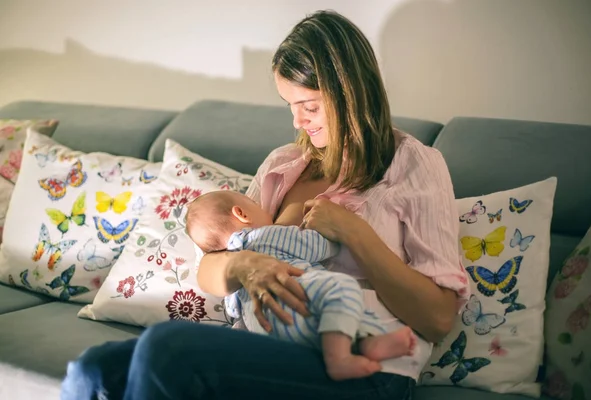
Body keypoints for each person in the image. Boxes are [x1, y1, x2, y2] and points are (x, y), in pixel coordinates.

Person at [60, 9, 469, 400]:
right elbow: (211, 264)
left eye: (309, 106)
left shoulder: (414, 164)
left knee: (169, 349)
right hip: (270, 347)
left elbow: (437, 318)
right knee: (92, 369)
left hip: (367, 369)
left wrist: (354, 233)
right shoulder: (283, 166)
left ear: (352, 93)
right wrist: (243, 265)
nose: (298, 121)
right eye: (290, 106)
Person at [185, 190, 417, 381]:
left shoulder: (234, 281)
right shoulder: (266, 236)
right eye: (255, 202)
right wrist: (334, 237)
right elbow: (315, 247)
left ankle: (358, 349)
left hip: (270, 334)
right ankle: (350, 353)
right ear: (242, 213)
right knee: (342, 292)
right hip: (302, 298)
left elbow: (234, 312)